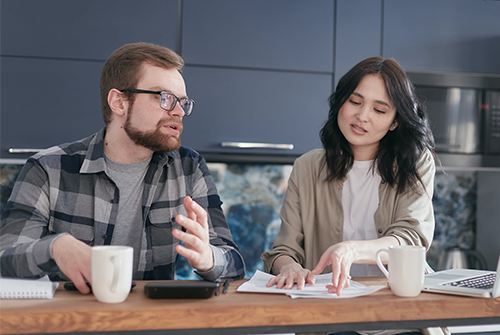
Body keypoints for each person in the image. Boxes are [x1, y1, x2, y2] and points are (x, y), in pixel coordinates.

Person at [0, 42, 245, 293]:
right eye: (165, 98)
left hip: (151, 323)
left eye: (182, 101)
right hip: (69, 323)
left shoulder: (189, 168)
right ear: (119, 102)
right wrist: (55, 248)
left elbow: (235, 263)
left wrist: (208, 259)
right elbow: (4, 257)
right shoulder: (47, 169)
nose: (179, 111)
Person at [261, 56, 440, 335]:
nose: (362, 116)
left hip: (402, 317)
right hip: (331, 319)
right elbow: (283, 251)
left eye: (380, 110)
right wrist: (290, 268)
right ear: (340, 103)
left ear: (394, 122)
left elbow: (411, 238)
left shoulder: (415, 163)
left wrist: (351, 249)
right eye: (355, 102)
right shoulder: (307, 167)